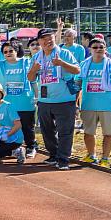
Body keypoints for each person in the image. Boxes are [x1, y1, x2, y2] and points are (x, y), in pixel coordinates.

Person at [27, 27, 81, 170]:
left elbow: (77, 70)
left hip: (64, 99)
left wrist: (62, 63)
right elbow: (30, 78)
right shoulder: (37, 57)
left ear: (54, 38)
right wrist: (33, 69)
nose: (47, 41)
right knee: (47, 131)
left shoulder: (64, 53)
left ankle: (63, 159)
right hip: (44, 100)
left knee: (65, 131)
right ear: (39, 42)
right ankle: (53, 154)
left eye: (50, 38)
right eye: (44, 39)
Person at [0, 41, 37, 158]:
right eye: (5, 52)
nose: (8, 53)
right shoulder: (0, 64)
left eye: (11, 50)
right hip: (7, 104)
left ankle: (31, 147)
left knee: (27, 126)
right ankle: (12, 149)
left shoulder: (26, 62)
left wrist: (37, 97)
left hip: (25, 101)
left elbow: (33, 81)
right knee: (5, 127)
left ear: (17, 51)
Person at [78, 39, 111, 167]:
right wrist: (76, 104)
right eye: (95, 47)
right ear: (90, 49)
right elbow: (77, 84)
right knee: (88, 132)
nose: (98, 49)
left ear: (105, 49)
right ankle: (91, 155)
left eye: (101, 47)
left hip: (107, 105)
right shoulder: (84, 64)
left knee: (108, 134)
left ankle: (105, 158)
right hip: (89, 105)